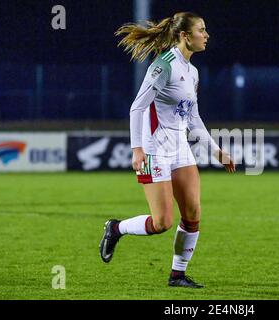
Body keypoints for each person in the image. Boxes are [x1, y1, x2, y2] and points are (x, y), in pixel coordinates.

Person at [99, 12, 235, 288]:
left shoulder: (192, 71)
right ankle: (116, 228)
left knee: (193, 213)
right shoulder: (164, 66)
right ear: (185, 36)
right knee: (162, 222)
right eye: (202, 30)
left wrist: (216, 151)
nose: (206, 35)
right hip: (154, 149)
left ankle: (178, 275)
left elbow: (192, 118)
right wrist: (137, 150)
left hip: (180, 147)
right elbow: (137, 107)